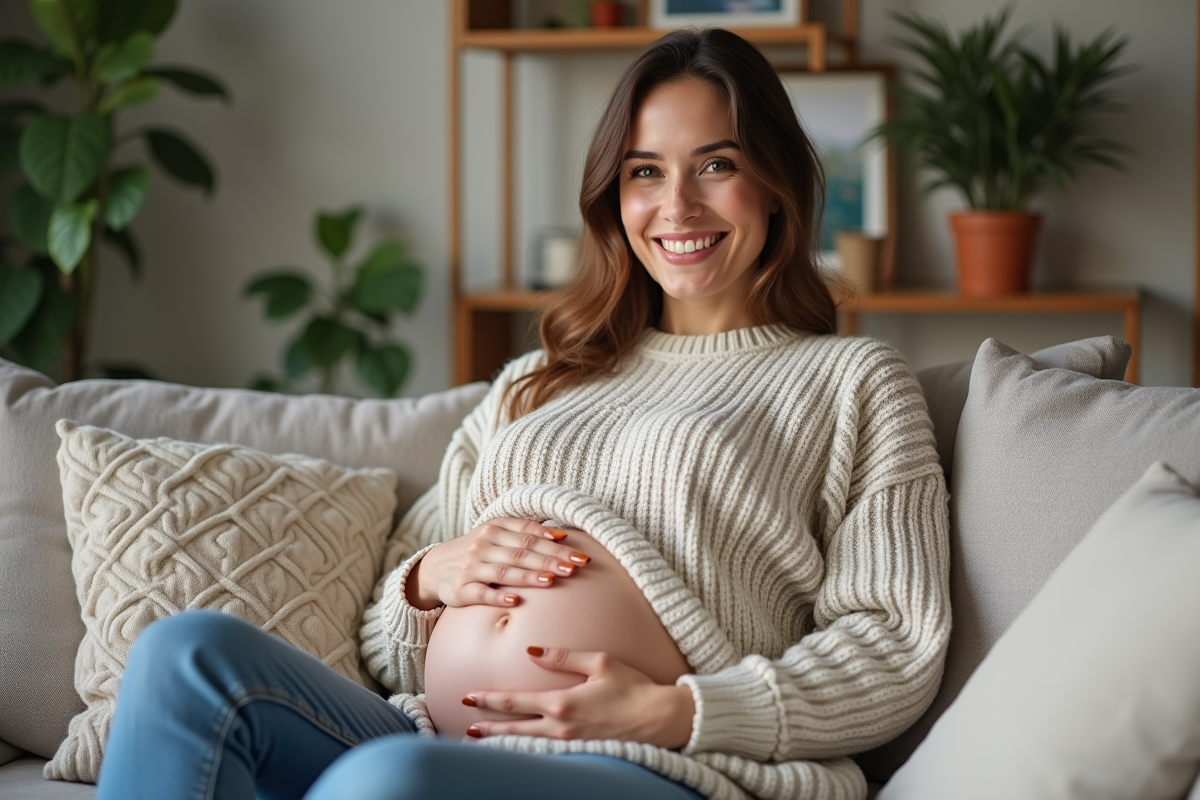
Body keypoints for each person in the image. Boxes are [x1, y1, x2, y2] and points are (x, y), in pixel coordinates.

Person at [96, 28, 950, 800]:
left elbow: (893, 644)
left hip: (658, 764)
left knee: (383, 784)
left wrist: (680, 711)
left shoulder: (850, 382)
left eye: (717, 165)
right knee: (183, 654)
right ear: (613, 196)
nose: (677, 205)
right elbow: (384, 637)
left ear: (776, 185)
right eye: (645, 171)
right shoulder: (535, 381)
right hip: (434, 739)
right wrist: (433, 577)